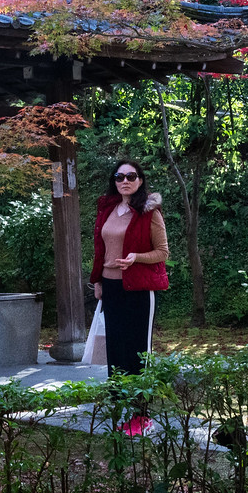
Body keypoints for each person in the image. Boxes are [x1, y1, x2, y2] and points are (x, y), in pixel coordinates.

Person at [88, 160, 169, 377]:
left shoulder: (149, 212)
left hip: (139, 288)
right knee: (115, 344)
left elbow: (163, 252)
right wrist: (98, 281)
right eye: (119, 177)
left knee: (138, 347)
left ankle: (140, 406)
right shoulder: (107, 209)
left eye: (131, 176)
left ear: (140, 181)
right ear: (114, 181)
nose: (125, 181)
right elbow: (100, 248)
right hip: (111, 286)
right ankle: (117, 400)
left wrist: (137, 258)